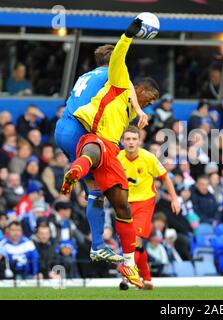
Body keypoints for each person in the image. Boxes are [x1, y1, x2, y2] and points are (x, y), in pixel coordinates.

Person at [58, 19, 156, 288]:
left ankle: (114, 255)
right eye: (151, 97)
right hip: (87, 133)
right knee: (95, 149)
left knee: (109, 198)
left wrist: (137, 111)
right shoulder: (115, 75)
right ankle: (77, 171)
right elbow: (122, 67)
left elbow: (127, 97)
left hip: (74, 132)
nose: (151, 102)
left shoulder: (90, 78)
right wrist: (129, 34)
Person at [117, 126, 180, 290]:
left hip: (145, 203)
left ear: (139, 141)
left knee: (135, 239)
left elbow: (165, 178)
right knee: (134, 245)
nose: (131, 142)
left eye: (134, 139)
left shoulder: (148, 157)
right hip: (124, 205)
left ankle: (126, 278)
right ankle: (147, 278)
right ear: (122, 141)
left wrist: (174, 199)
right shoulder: (117, 159)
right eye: (128, 139)